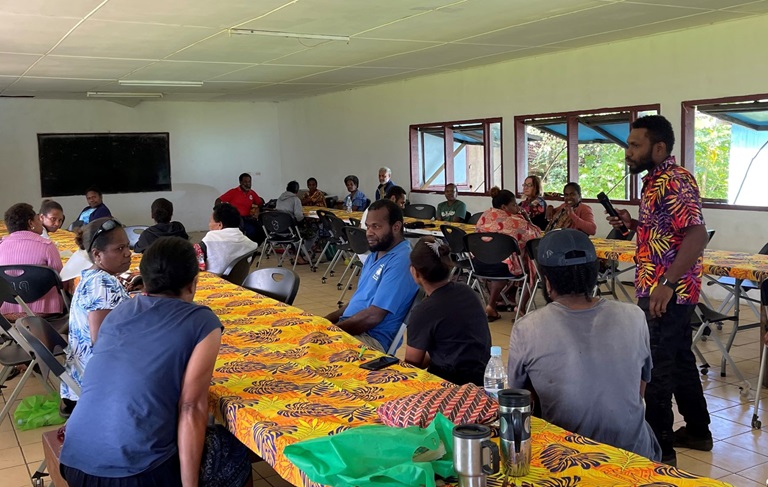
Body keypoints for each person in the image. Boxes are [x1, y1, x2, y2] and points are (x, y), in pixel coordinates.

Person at [60, 237, 252, 487]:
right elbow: (191, 407)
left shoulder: (118, 312)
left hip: (75, 459)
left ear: (144, 282)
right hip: (135, 473)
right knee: (230, 449)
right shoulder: (202, 321)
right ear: (194, 283)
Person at [607, 114, 711, 466]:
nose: (628, 152)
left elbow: (696, 235)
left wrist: (666, 284)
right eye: (629, 145)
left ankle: (660, 453)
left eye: (635, 145)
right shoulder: (654, 181)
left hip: (666, 291)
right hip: (661, 286)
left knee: (655, 367)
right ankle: (698, 431)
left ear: (659, 147)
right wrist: (633, 224)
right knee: (679, 358)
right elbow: (669, 231)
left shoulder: (674, 181)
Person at [507, 229, 661, 462]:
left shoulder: (527, 327)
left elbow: (519, 403)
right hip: (635, 453)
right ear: (594, 275)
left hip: (571, 458)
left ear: (547, 282)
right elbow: (639, 391)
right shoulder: (635, 316)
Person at [325, 199, 419, 352]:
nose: (369, 232)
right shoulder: (374, 256)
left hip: (370, 340)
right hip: (352, 330)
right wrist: (323, 323)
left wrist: (331, 332)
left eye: (376, 226)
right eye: (368, 226)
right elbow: (357, 301)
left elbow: (373, 316)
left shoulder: (402, 260)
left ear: (396, 227)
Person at [61, 217, 132, 414]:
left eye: (127, 246)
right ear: (97, 254)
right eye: (119, 249)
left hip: (82, 379)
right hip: (97, 386)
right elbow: (101, 342)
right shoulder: (101, 285)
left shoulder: (94, 276)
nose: (128, 253)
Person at [405, 237, 490, 385]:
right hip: (482, 379)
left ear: (414, 272)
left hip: (449, 387)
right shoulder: (467, 291)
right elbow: (454, 343)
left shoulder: (424, 311)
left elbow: (412, 365)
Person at [475, 188, 542, 321]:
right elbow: (535, 235)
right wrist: (526, 218)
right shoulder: (515, 221)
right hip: (503, 268)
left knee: (501, 263)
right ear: (504, 207)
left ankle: (491, 305)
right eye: (514, 204)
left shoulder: (484, 216)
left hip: (479, 264)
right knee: (532, 268)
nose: (517, 207)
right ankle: (521, 307)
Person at [0, 203, 64, 316]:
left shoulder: (1, 246)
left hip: (7, 310)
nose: (40, 222)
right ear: (31, 223)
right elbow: (61, 279)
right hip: (45, 309)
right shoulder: (47, 245)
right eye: (38, 219)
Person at [201, 203, 259, 276]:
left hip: (212, 283)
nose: (209, 225)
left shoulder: (210, 238)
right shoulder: (250, 244)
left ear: (220, 225)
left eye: (210, 221)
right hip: (238, 283)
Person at [216, 173, 265, 243]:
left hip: (248, 218)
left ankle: (253, 249)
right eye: (245, 182)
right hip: (236, 218)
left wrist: (257, 209)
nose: (247, 184)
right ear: (240, 182)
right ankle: (247, 248)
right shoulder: (233, 192)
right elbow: (218, 200)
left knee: (261, 231)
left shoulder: (252, 193)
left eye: (249, 182)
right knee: (251, 231)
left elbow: (260, 203)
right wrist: (218, 212)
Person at [277, 181, 315, 265]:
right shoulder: (295, 199)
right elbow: (299, 217)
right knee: (313, 232)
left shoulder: (279, 198)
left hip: (279, 230)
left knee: (298, 233)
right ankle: (299, 255)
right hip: (291, 231)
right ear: (297, 191)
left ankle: (297, 254)